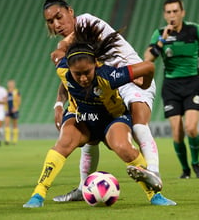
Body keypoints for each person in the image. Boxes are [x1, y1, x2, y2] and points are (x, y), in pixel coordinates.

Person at [23, 20, 176, 208]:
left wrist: (142, 85)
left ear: (95, 64)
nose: (83, 78)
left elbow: (149, 68)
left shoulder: (108, 74)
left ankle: (154, 195)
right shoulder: (63, 68)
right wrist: (58, 105)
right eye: (77, 74)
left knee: (122, 146)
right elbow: (62, 72)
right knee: (64, 142)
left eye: (87, 72)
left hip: (112, 119)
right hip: (83, 118)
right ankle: (38, 194)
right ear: (69, 68)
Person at [44, 0, 163, 202]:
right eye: (50, 22)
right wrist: (58, 103)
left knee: (138, 126)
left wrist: (59, 50)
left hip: (132, 78)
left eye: (59, 17)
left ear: (70, 11)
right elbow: (69, 75)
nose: (56, 24)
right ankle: (83, 188)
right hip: (108, 85)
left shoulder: (87, 22)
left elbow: (63, 46)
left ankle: (154, 172)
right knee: (91, 132)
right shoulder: (79, 49)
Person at [144, 0, 199, 179]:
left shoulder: (195, 30)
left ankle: (195, 163)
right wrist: (162, 40)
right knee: (177, 133)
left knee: (191, 128)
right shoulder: (160, 33)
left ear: (182, 13)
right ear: (164, 15)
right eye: (168, 12)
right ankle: (185, 170)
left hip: (192, 84)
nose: (172, 15)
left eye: (175, 11)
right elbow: (148, 58)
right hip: (171, 86)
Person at [4, 80, 21, 145]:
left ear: (14, 85)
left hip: (14, 109)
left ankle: (15, 140)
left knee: (15, 124)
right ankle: (7, 140)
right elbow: (4, 100)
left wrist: (16, 108)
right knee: (7, 123)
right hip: (7, 109)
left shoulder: (16, 92)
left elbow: (19, 100)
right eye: (10, 84)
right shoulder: (6, 92)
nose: (11, 85)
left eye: (12, 84)